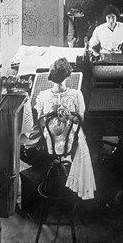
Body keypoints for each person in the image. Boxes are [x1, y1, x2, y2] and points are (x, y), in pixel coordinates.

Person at [34, 58, 96, 200]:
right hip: (70, 145)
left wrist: (53, 116)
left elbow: (41, 123)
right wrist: (67, 116)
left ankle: (56, 171)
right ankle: (71, 180)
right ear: (69, 76)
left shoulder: (42, 96)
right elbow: (79, 119)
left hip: (51, 146)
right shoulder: (76, 95)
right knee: (81, 136)